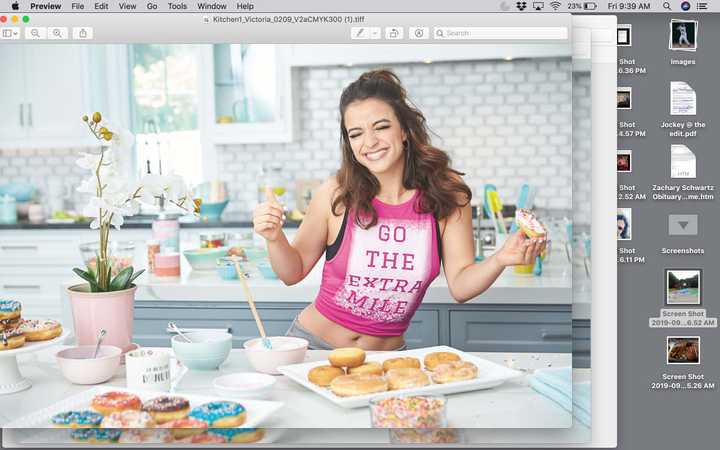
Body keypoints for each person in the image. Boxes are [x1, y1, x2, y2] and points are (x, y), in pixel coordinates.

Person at [253, 69, 546, 351]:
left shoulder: (446, 194)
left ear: (405, 129)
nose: (369, 142)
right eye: (355, 134)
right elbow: (292, 273)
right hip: (316, 348)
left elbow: (460, 285)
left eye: (381, 127)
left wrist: (501, 259)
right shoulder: (338, 192)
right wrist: (274, 237)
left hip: (386, 360)